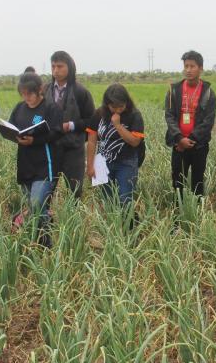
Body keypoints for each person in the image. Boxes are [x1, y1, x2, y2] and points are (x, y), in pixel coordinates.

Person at [8, 72, 63, 246]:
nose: (26, 98)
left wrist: (35, 140)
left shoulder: (51, 108)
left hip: (45, 165)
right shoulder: (19, 108)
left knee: (37, 203)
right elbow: (11, 126)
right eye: (23, 94)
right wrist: (14, 136)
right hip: (25, 164)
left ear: (39, 90)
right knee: (35, 208)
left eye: (29, 94)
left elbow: (57, 132)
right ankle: (39, 240)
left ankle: (45, 244)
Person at [164, 50, 216, 198]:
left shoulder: (208, 93)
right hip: (178, 146)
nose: (188, 70)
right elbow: (169, 116)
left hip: (199, 145)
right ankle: (178, 216)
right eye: (186, 66)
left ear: (200, 69)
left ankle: (197, 216)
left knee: (197, 182)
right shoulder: (174, 90)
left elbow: (208, 121)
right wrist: (180, 138)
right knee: (177, 182)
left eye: (192, 66)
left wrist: (191, 139)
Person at [44, 51, 95, 199]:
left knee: (75, 190)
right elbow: (36, 115)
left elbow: (91, 121)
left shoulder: (81, 92)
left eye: (60, 66)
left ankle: (73, 220)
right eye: (53, 66)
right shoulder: (45, 90)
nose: (55, 71)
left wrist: (71, 126)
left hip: (73, 149)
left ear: (70, 67)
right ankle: (46, 221)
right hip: (50, 148)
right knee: (46, 191)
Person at [86, 84, 145, 207]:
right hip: (102, 162)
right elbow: (91, 141)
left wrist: (118, 125)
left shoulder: (134, 115)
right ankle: (112, 225)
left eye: (121, 106)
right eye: (113, 107)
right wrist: (90, 165)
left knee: (125, 200)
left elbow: (135, 141)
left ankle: (128, 225)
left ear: (126, 102)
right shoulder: (99, 114)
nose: (118, 110)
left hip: (126, 162)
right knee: (107, 201)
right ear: (107, 104)